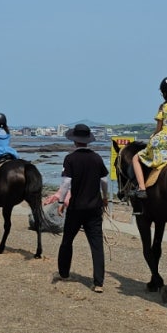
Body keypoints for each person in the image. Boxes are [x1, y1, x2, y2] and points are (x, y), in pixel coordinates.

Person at [44, 122, 109, 292]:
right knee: (96, 245)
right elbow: (104, 180)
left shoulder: (70, 158)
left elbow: (66, 183)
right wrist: (105, 198)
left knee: (67, 241)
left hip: (76, 207)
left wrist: (60, 202)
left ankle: (64, 273)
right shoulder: (97, 158)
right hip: (94, 208)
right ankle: (98, 283)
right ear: (88, 141)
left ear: (74, 141)